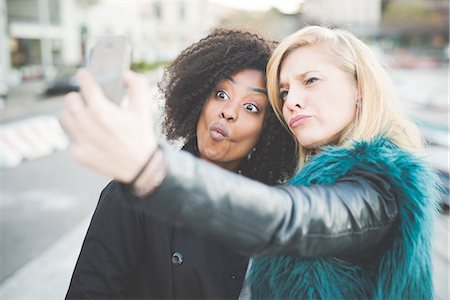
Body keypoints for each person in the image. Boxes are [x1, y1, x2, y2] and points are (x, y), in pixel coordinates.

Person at [61, 26, 440, 299]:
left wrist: (151, 170)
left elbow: (290, 220)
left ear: (360, 89)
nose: (292, 100)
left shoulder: (382, 189)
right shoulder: (304, 183)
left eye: (310, 80)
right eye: (286, 91)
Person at [64, 28, 297, 299]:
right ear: (199, 98)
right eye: (221, 94)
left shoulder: (267, 213)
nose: (229, 111)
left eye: (251, 107)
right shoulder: (132, 194)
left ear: (267, 131)